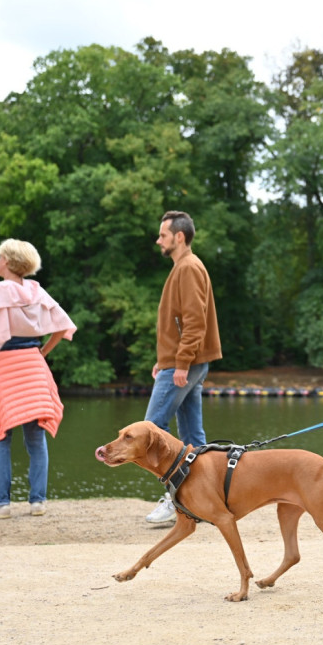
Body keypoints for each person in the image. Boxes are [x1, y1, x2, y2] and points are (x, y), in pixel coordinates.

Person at [0, 239, 76, 519]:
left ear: (9, 261)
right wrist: (42, 352)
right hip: (34, 366)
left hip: (4, 366)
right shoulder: (37, 291)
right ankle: (38, 502)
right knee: (36, 436)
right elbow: (63, 326)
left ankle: (0, 505)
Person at [144, 211, 222, 524]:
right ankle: (204, 500)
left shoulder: (188, 267)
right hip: (185, 363)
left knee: (150, 429)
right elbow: (177, 323)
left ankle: (176, 496)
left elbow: (193, 320)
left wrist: (180, 363)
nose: (158, 240)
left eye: (163, 235)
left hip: (187, 364)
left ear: (179, 237)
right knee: (192, 435)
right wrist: (165, 360)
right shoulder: (184, 267)